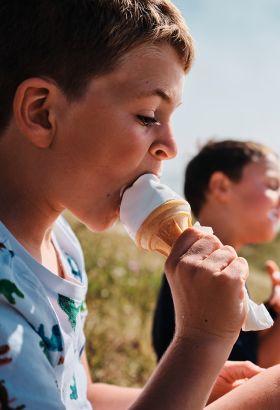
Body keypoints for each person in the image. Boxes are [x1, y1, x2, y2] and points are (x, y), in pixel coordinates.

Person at [1, 1, 280, 409]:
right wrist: (200, 343)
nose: (171, 146)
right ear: (42, 112)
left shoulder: (61, 246)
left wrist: (197, 384)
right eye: (149, 115)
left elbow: (80, 393)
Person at [152, 140, 280, 370]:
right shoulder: (199, 270)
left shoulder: (220, 267)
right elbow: (232, 383)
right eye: (272, 185)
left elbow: (250, 362)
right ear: (220, 186)